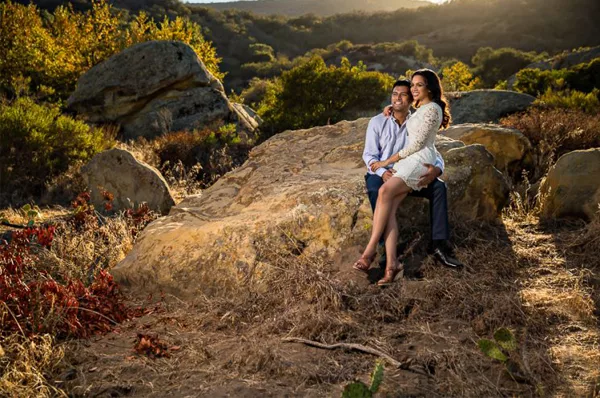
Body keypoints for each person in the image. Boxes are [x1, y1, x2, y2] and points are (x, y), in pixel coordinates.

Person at [355, 70, 463, 286]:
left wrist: (437, 170)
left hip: (407, 169)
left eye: (406, 93)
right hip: (385, 172)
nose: (399, 98)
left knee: (438, 187)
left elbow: (428, 148)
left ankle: (438, 244)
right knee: (382, 194)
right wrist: (382, 170)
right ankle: (389, 262)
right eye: (395, 94)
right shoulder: (378, 121)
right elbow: (369, 156)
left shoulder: (418, 117)